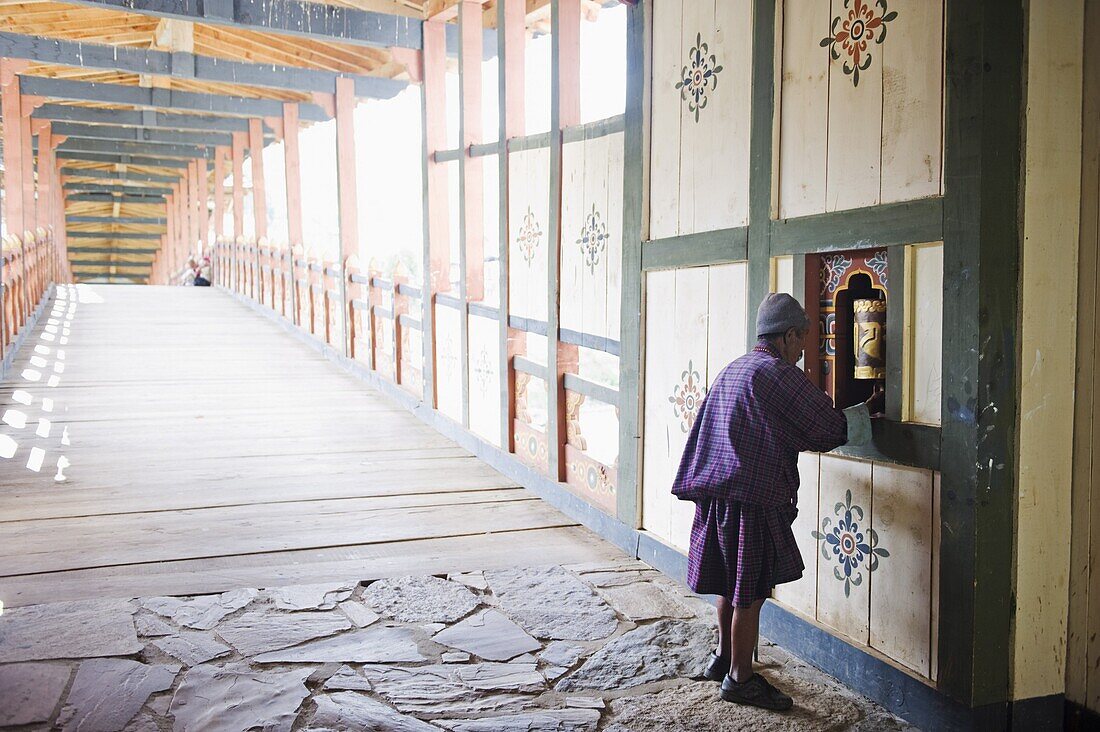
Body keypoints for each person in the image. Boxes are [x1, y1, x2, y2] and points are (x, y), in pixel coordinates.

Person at [671, 292, 882, 712]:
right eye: (803, 339)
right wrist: (866, 412)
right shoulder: (776, 373)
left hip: (719, 495)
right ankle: (740, 678)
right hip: (751, 498)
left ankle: (724, 657)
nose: (804, 351)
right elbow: (825, 427)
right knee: (750, 590)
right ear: (787, 336)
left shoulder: (736, 368)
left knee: (730, 583)